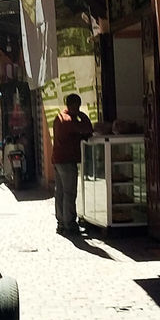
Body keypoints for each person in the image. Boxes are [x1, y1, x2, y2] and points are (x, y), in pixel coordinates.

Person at [50, 93, 94, 235]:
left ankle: (61, 222)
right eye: (78, 106)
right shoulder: (69, 120)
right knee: (69, 193)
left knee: (60, 192)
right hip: (67, 160)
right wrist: (83, 115)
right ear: (74, 105)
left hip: (57, 159)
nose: (78, 108)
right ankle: (70, 223)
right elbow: (87, 129)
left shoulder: (59, 117)